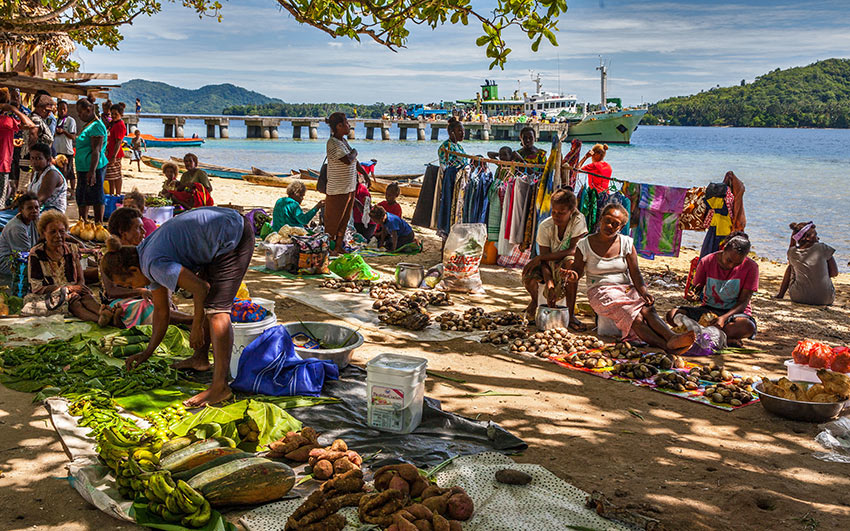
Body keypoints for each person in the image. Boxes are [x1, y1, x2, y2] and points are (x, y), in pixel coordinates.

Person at [100, 207, 255, 407]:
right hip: (217, 237)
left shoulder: (153, 264)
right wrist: (147, 353)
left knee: (216, 311)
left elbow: (201, 288)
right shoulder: (145, 259)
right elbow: (161, 313)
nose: (133, 288)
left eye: (129, 284)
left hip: (233, 235)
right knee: (209, 306)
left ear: (132, 270)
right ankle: (200, 359)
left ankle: (220, 387)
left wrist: (197, 326)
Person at [566, 203, 695, 353]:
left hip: (625, 288)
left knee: (648, 308)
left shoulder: (626, 243)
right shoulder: (584, 244)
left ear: (620, 227)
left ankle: (671, 337)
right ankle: (666, 346)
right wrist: (572, 275)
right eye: (607, 220)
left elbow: (635, 273)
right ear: (600, 219)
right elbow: (577, 272)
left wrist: (644, 292)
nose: (610, 226)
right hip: (600, 291)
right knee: (633, 316)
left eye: (615, 224)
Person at [103, 207, 193, 328]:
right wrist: (140, 291)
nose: (144, 231)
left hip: (149, 297)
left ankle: (187, 321)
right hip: (122, 302)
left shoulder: (144, 252)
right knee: (149, 307)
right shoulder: (110, 257)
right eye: (139, 228)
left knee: (161, 304)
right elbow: (111, 291)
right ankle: (192, 320)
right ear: (124, 233)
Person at [667, 232, 758, 347]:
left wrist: (723, 319)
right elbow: (696, 289)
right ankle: (721, 338)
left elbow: (743, 302)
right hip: (708, 311)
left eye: (737, 263)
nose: (731, 266)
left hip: (734, 315)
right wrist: (692, 295)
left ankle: (701, 334)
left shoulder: (751, 267)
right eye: (729, 260)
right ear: (724, 249)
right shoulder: (707, 261)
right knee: (672, 314)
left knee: (747, 327)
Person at [523, 190, 588, 329]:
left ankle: (570, 315)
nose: (556, 216)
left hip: (567, 260)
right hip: (549, 262)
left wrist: (540, 257)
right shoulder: (545, 226)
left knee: (570, 265)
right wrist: (549, 283)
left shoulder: (578, 220)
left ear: (572, 211)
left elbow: (573, 251)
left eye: (561, 213)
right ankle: (535, 300)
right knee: (529, 273)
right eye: (554, 212)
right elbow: (545, 262)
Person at [28, 210, 106, 323]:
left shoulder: (72, 249)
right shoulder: (36, 253)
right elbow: (37, 287)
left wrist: (77, 288)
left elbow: (80, 278)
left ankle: (105, 315)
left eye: (61, 231)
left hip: (74, 291)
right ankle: (100, 320)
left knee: (87, 298)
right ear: (44, 233)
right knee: (74, 304)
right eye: (52, 232)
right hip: (49, 296)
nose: (58, 236)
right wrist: (67, 289)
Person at [324, 112, 366, 254]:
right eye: (347, 123)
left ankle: (338, 247)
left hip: (349, 187)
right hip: (338, 188)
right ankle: (327, 249)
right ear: (339, 126)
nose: (349, 126)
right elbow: (348, 160)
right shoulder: (333, 143)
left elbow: (353, 161)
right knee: (333, 222)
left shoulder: (343, 141)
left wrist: (364, 174)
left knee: (344, 220)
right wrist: (355, 152)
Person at [775, 222, 837, 306]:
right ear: (807, 238)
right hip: (825, 299)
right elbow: (834, 273)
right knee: (792, 267)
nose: (818, 238)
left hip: (798, 297)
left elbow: (791, 250)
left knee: (791, 267)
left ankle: (780, 295)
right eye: (815, 235)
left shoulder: (792, 252)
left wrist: (793, 239)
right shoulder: (822, 248)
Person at [74, 98, 109, 224]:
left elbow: (96, 150)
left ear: (88, 110)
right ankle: (83, 221)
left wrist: (92, 171)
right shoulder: (89, 125)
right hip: (83, 167)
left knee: (96, 195)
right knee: (82, 195)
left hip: (93, 167)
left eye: (80, 113)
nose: (79, 115)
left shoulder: (97, 126)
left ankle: (98, 223)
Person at [0, 88, 35, 208]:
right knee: (1, 201)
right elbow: (30, 125)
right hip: (2, 165)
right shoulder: (6, 121)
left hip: (5, 162)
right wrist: (13, 109)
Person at [0, 192, 39, 276]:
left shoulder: (34, 220)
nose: (34, 211)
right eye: (30, 208)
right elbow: (25, 256)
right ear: (21, 210)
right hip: (8, 263)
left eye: (36, 208)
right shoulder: (17, 228)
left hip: (26, 257)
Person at [27, 143, 67, 213]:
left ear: (48, 160)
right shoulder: (36, 171)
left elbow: (40, 200)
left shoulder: (52, 174)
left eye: (39, 158)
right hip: (36, 208)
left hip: (52, 212)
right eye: (32, 158)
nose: (34, 162)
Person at [53, 100, 77, 196]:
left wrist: (64, 132)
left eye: (64, 109)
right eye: (60, 109)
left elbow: (73, 136)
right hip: (57, 150)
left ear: (67, 110)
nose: (62, 111)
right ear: (57, 109)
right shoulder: (55, 120)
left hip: (67, 150)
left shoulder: (70, 120)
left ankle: (72, 192)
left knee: (69, 172)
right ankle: (62, 190)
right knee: (59, 172)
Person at [105, 103, 127, 195]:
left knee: (116, 175)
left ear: (121, 115)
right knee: (110, 176)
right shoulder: (113, 124)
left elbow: (119, 141)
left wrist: (114, 156)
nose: (113, 116)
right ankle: (111, 193)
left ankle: (117, 193)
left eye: (115, 114)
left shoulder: (120, 125)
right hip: (109, 153)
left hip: (115, 154)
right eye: (112, 114)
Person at [352, 174, 375, 241]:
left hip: (365, 222)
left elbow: (365, 210)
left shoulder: (362, 190)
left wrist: (355, 201)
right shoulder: (350, 189)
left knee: (364, 241)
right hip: (355, 219)